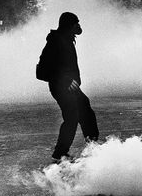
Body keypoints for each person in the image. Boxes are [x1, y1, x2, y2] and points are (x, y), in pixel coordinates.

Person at [37, 12, 99, 163]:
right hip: (61, 87)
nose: (79, 26)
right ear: (69, 26)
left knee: (85, 109)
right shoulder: (55, 42)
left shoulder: (66, 39)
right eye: (76, 23)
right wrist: (65, 80)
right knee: (72, 117)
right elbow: (43, 70)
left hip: (70, 87)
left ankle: (92, 146)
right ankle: (60, 153)